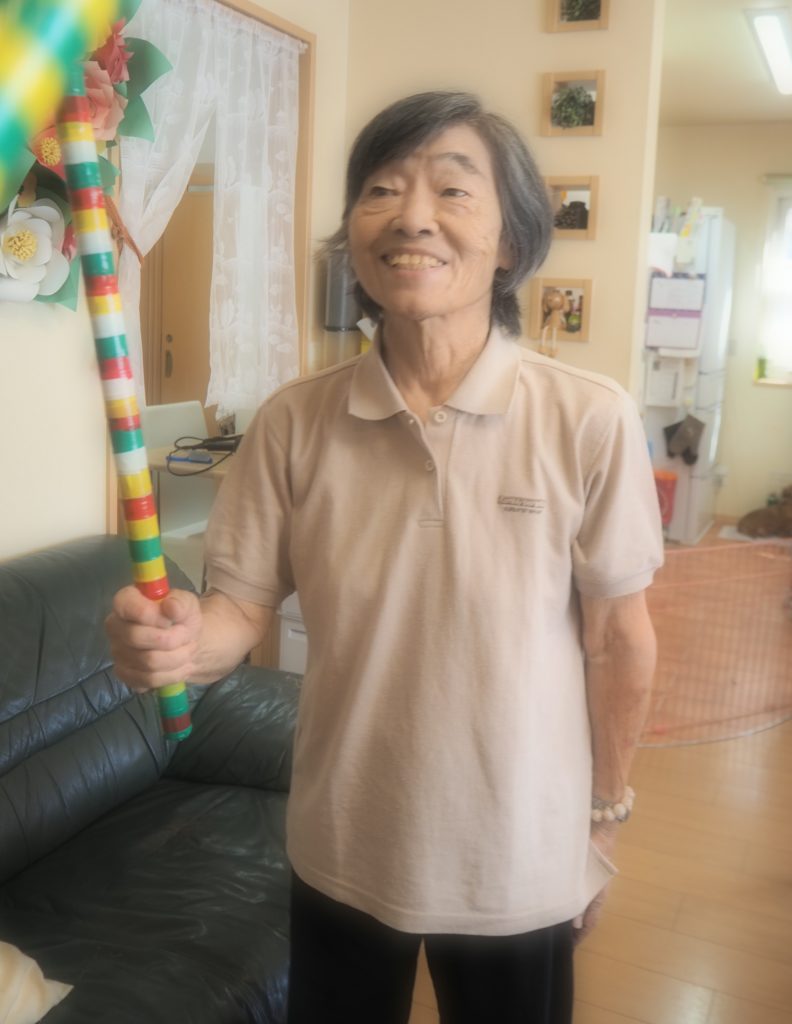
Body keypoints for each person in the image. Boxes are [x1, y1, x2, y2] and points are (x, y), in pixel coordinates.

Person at [107, 91, 663, 1024]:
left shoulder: (588, 417)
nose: (412, 216)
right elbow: (238, 611)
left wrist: (604, 816)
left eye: (453, 189)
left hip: (516, 856)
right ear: (354, 237)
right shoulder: (293, 421)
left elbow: (618, 639)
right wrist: (177, 642)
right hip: (344, 844)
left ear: (511, 242)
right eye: (381, 189)